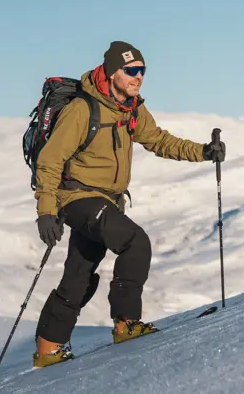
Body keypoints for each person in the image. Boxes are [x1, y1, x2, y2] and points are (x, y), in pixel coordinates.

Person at [30, 41, 226, 368]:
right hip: (77, 198)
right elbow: (50, 162)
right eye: (131, 70)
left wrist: (203, 152)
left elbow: (159, 140)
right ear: (111, 72)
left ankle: (48, 347)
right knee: (136, 242)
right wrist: (46, 212)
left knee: (80, 274)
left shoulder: (131, 108)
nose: (139, 77)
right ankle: (126, 323)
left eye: (142, 70)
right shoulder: (84, 109)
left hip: (107, 201)